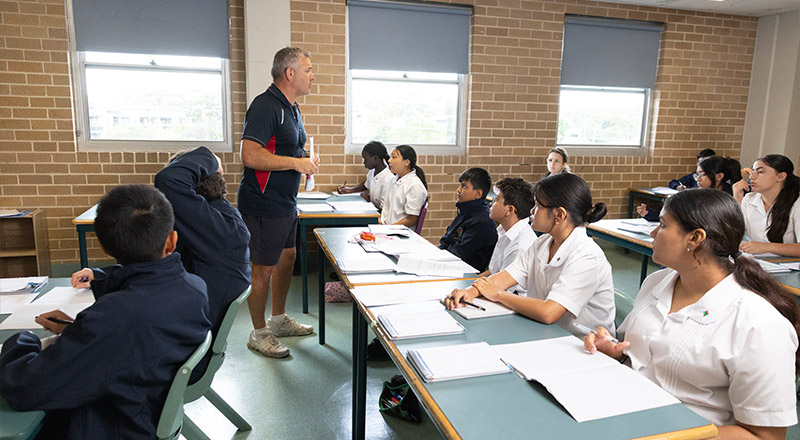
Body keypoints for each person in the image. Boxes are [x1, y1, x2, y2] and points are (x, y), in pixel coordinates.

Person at [584, 189, 799, 439]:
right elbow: (645, 361)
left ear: (695, 238)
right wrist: (616, 354)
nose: (653, 233)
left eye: (662, 225)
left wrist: (669, 435)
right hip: (623, 412)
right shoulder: (657, 282)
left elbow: (765, 436)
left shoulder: (759, 325)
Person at [0, 185, 211, 439]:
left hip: (112, 426)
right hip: (144, 410)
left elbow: (23, 388)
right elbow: (134, 342)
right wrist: (77, 330)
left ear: (103, 247)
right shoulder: (194, 288)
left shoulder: (116, 317)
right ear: (172, 241)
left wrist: (23, 340)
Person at [445, 173, 616, 336]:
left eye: (538, 206)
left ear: (559, 214)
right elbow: (507, 276)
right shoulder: (543, 242)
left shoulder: (587, 255)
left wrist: (498, 294)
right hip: (546, 331)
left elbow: (549, 311)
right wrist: (471, 291)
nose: (532, 211)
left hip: (583, 344)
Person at [238, 47, 318, 358]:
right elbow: (250, 155)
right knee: (263, 269)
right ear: (290, 73)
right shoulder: (265, 106)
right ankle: (258, 333)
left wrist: (303, 160)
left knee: (287, 258)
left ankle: (279, 319)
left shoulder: (293, 108)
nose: (312, 76)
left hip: (285, 202)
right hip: (263, 203)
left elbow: (285, 150)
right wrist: (296, 164)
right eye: (308, 69)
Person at [154, 146, 251, 380]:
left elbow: (167, 179)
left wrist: (211, 157)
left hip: (186, 358)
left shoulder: (220, 229)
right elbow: (158, 269)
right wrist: (103, 278)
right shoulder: (213, 219)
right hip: (185, 340)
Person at [732, 154, 800, 257]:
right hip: (753, 263)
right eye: (753, 171)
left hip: (785, 265)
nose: (752, 177)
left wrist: (765, 247)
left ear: (781, 176)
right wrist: (737, 198)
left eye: (760, 172)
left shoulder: (796, 203)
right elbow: (734, 233)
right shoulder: (749, 199)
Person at [637, 155, 742, 221]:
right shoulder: (696, 194)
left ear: (719, 176)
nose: (698, 179)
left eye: (702, 174)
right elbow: (680, 217)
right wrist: (652, 214)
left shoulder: (731, 196)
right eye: (697, 175)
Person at [480, 177, 536, 294]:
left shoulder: (520, 245)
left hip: (511, 300)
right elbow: (493, 271)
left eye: (496, 199)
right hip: (495, 290)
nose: (491, 203)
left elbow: (502, 288)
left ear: (509, 210)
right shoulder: (504, 231)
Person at [438, 168, 498, 271]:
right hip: (451, 263)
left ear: (478, 194)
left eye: (464, 186)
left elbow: (459, 254)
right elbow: (447, 240)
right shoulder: (466, 210)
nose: (459, 190)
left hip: (465, 272)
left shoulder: (482, 221)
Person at [381, 144, 428, 228]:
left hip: (398, 232)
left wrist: (388, 228)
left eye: (394, 157)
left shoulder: (414, 185)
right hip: (387, 228)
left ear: (406, 162)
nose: (389, 161)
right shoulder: (393, 180)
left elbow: (412, 219)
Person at [337, 140, 393, 210]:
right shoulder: (373, 171)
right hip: (373, 211)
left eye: (365, 159)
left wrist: (368, 201)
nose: (364, 163)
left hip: (380, 216)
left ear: (375, 158)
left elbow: (384, 210)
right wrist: (350, 190)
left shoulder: (388, 178)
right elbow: (366, 184)